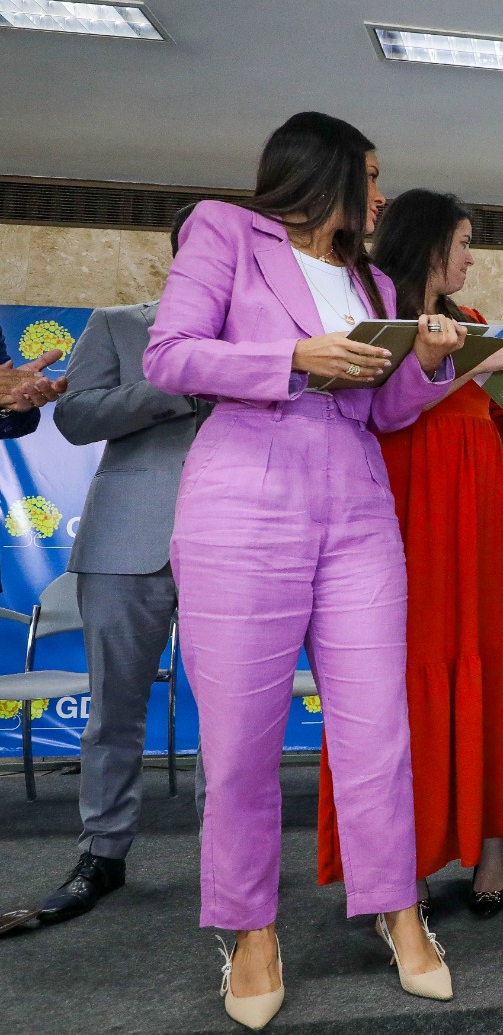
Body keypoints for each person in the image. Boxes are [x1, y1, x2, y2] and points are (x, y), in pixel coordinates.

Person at [144, 111, 465, 1028]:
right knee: (241, 739)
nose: (381, 195)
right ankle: (250, 929)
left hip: (357, 505)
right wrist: (291, 355)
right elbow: (169, 356)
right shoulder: (226, 231)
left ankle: (398, 909)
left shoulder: (373, 279)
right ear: (323, 172)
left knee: (377, 729)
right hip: (244, 496)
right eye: (372, 175)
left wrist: (424, 363)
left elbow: (384, 412)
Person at [316, 189, 503, 921]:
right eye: (464, 242)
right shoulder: (374, 319)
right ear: (429, 244)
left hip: (478, 516)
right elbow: (379, 414)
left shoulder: (470, 320)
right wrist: (470, 368)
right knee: (400, 677)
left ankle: (490, 846)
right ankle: (398, 861)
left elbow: (498, 426)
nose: (472, 257)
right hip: (403, 513)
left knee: (487, 658)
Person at [40, 205, 206, 926]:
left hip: (235, 541)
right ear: (182, 252)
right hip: (123, 541)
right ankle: (101, 852)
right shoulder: (117, 324)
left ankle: (228, 854)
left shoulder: (270, 337)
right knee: (113, 711)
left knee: (232, 716)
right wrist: (174, 389)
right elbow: (75, 418)